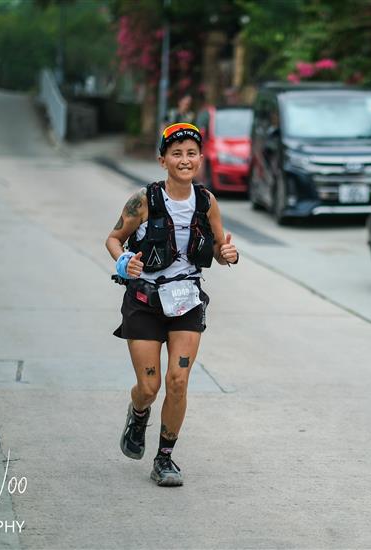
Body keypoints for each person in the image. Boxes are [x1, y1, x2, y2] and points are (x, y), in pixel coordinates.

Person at [105, 122, 239, 486]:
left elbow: (218, 247)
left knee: (178, 381)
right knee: (149, 388)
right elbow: (114, 238)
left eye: (191, 154)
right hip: (145, 301)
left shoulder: (207, 202)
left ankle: (164, 458)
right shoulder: (143, 201)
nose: (184, 160)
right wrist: (124, 262)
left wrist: (227, 254)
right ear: (162, 160)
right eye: (176, 154)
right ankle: (138, 414)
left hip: (186, 301)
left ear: (200, 159)